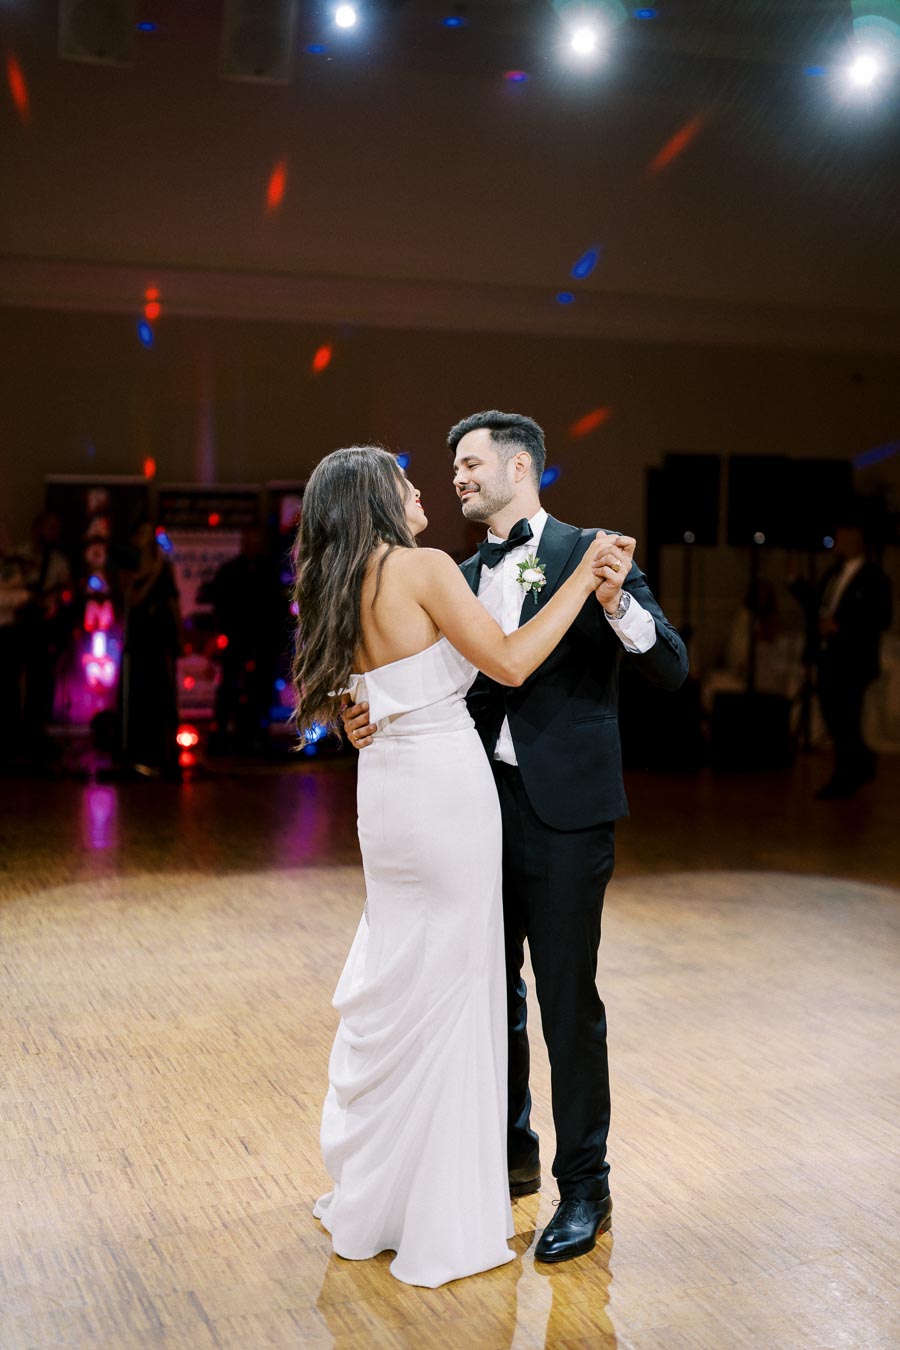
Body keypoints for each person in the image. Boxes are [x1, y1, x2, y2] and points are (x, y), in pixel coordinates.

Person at [343, 411, 688, 1264]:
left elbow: (670, 665)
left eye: (470, 464)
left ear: (521, 466)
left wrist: (617, 607)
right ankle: (506, 1156)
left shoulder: (592, 552)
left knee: (569, 1002)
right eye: (453, 467)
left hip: (566, 815)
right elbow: (422, 686)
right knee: (485, 992)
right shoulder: (453, 573)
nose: (456, 478)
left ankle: (587, 1188)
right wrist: (363, 714)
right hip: (470, 814)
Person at [293, 444, 614, 1288]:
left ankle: (389, 1190)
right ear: (374, 495)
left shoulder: (338, 581)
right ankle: (438, 1201)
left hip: (386, 799)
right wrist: (580, 579)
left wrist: (359, 714)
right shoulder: (424, 566)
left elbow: (338, 695)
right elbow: (506, 662)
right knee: (457, 986)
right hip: (443, 792)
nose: (419, 486)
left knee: (406, 977)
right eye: (401, 478)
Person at [789, 522, 892, 799]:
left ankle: (847, 775)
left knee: (846, 718)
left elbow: (880, 617)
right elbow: (820, 606)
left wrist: (842, 627)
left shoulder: (874, 578)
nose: (836, 542)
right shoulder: (833, 574)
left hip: (853, 659)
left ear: (856, 539)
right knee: (834, 714)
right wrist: (797, 584)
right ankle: (859, 763)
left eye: (842, 537)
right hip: (829, 656)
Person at [208, 528, 287, 754]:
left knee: (260, 689)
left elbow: (276, 608)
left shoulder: (269, 573)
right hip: (237, 639)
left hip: (262, 641)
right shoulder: (231, 572)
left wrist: (276, 638)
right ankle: (223, 732)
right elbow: (222, 604)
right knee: (230, 685)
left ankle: (256, 733)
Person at [119, 522, 183, 780]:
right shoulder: (130, 568)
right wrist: (154, 573)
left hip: (160, 638)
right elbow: (133, 600)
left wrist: (179, 635)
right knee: (139, 693)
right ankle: (137, 754)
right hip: (139, 639)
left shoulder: (165, 568)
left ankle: (164, 754)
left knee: (162, 693)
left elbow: (173, 602)